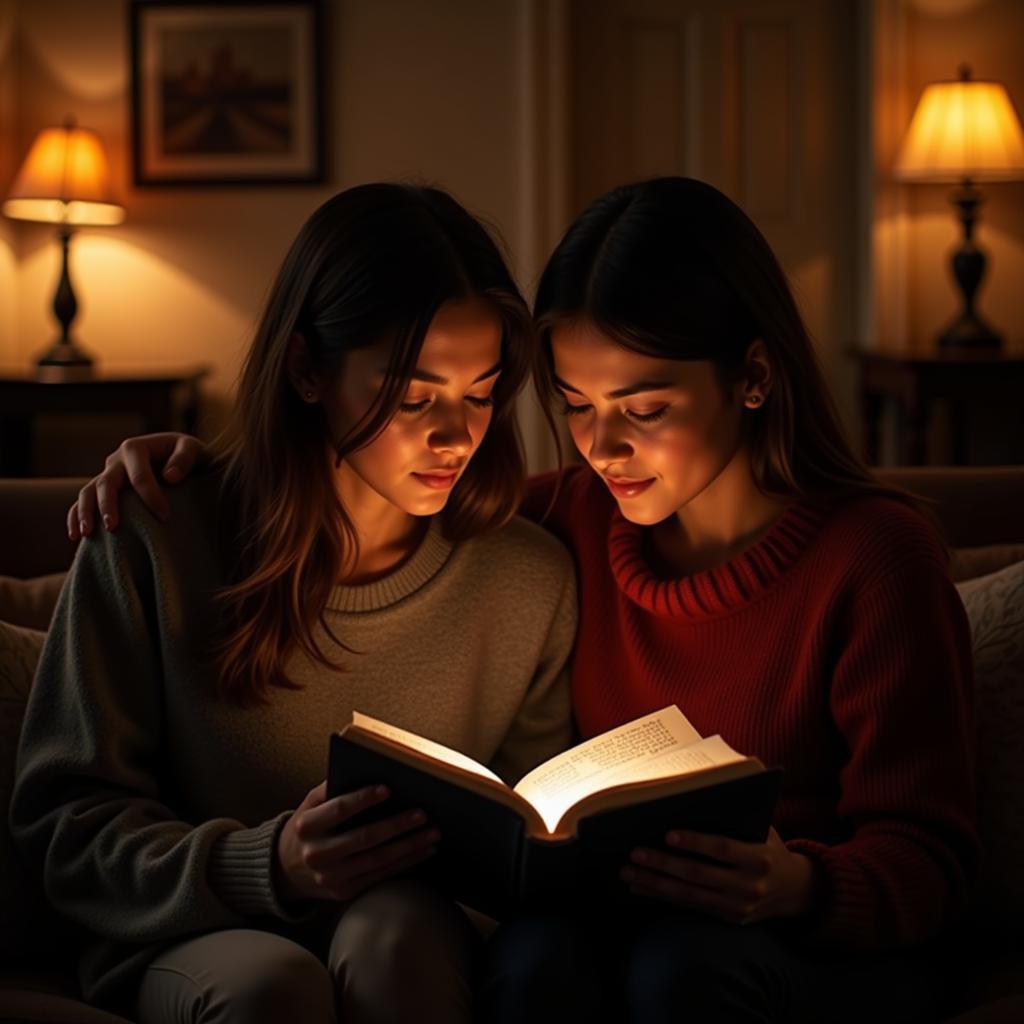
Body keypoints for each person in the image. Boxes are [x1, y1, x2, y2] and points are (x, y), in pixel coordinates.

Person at [65, 177, 978, 1023]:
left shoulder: (873, 556)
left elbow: (933, 857)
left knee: (672, 971)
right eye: (575, 405)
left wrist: (800, 888)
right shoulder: (569, 519)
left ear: (753, 376)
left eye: (644, 408)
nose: (602, 448)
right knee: (540, 960)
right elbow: (362, 495)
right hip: (612, 928)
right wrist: (177, 461)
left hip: (800, 938)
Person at [10, 183, 577, 1024]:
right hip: (198, 933)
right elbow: (66, 831)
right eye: (414, 396)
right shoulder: (156, 538)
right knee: (271, 987)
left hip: (413, 929)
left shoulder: (527, 578)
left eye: (483, 391)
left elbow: (532, 840)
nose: (457, 435)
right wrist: (269, 863)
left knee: (400, 938)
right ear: (308, 369)